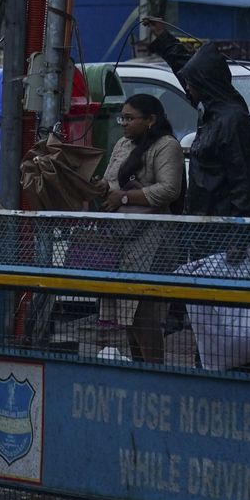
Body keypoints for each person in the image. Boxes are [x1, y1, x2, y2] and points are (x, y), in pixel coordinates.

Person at [92, 94, 185, 364]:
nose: (123, 123)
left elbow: (169, 189)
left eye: (130, 118)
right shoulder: (123, 143)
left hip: (152, 239)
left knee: (145, 315)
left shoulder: (167, 146)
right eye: (122, 117)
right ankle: (138, 371)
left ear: (151, 120)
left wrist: (124, 197)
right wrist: (100, 187)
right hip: (120, 238)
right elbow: (111, 182)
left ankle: (153, 375)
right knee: (127, 315)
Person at [144, 17, 250, 217]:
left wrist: (239, 239)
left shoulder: (233, 121)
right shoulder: (210, 111)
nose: (187, 87)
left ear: (204, 85)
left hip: (222, 230)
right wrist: (163, 37)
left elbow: (245, 185)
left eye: (191, 83)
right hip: (203, 226)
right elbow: (186, 68)